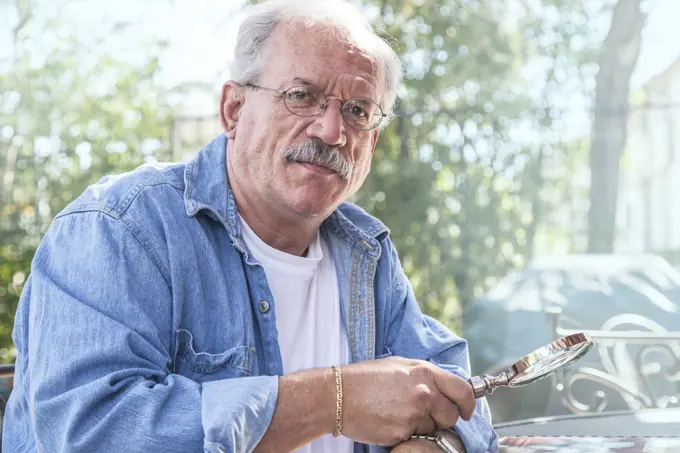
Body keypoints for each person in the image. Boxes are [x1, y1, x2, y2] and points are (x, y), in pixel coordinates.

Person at [3, 0, 499, 452]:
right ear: (234, 109)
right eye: (302, 95)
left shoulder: (365, 252)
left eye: (357, 111)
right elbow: (92, 433)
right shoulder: (119, 228)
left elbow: (464, 393)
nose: (331, 131)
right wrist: (333, 399)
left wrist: (440, 446)